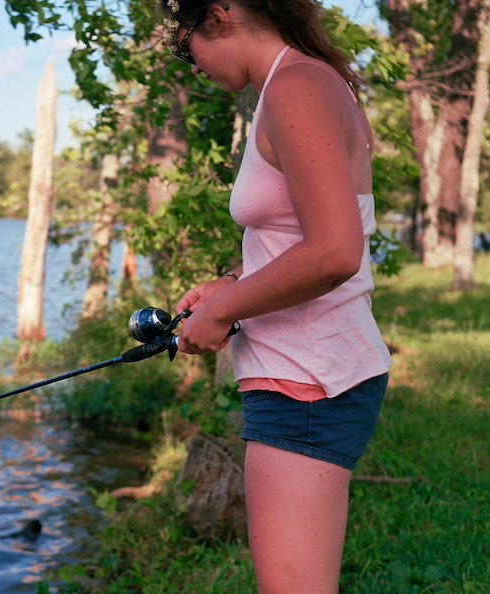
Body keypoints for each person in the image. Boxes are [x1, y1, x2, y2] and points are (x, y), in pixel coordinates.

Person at [158, 1, 392, 592]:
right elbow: (301, 235)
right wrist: (234, 284)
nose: (191, 67)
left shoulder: (296, 86)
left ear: (220, 14)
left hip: (308, 380)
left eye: (187, 48)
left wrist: (224, 312)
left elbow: (336, 251)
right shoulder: (300, 81)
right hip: (307, 371)